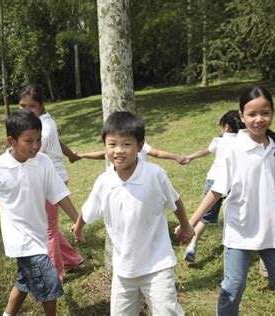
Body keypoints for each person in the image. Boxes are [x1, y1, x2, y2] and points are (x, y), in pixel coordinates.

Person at [178, 86, 275, 315]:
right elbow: (216, 190)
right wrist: (190, 223)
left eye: (265, 113)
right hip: (239, 229)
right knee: (233, 287)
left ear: (272, 112)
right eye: (252, 114)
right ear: (242, 116)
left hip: (269, 228)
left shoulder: (273, 146)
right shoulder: (233, 149)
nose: (259, 119)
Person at [72, 111, 194, 315]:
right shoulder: (104, 182)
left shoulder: (154, 174)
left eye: (126, 144)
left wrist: (186, 224)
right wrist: (78, 228)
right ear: (105, 146)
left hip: (157, 264)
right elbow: (88, 210)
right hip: (123, 268)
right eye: (112, 144)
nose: (118, 151)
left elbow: (174, 200)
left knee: (167, 311)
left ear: (140, 145)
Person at [0, 109, 83, 316]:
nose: (36, 146)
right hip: (19, 238)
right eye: (28, 141)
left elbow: (58, 194)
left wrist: (78, 221)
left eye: (38, 139)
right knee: (49, 282)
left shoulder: (43, 162)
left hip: (39, 234)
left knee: (24, 281)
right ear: (11, 141)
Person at [18, 84, 84, 281]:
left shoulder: (44, 129)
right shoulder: (42, 122)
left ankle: (55, 275)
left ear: (41, 106)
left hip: (52, 181)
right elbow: (58, 141)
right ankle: (72, 259)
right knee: (47, 226)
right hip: (47, 179)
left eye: (31, 106)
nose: (25, 111)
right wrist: (70, 154)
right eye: (22, 106)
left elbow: (33, 151)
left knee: (48, 229)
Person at [182, 110, 245, 262]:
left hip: (214, 181)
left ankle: (192, 245)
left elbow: (205, 151)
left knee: (205, 217)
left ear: (225, 127)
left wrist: (190, 157)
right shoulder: (244, 141)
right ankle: (237, 245)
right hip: (234, 183)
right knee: (235, 214)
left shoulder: (219, 140)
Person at [77, 142, 187, 165]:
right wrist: (82, 155)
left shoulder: (141, 145)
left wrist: (176, 157)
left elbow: (156, 153)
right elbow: (102, 155)